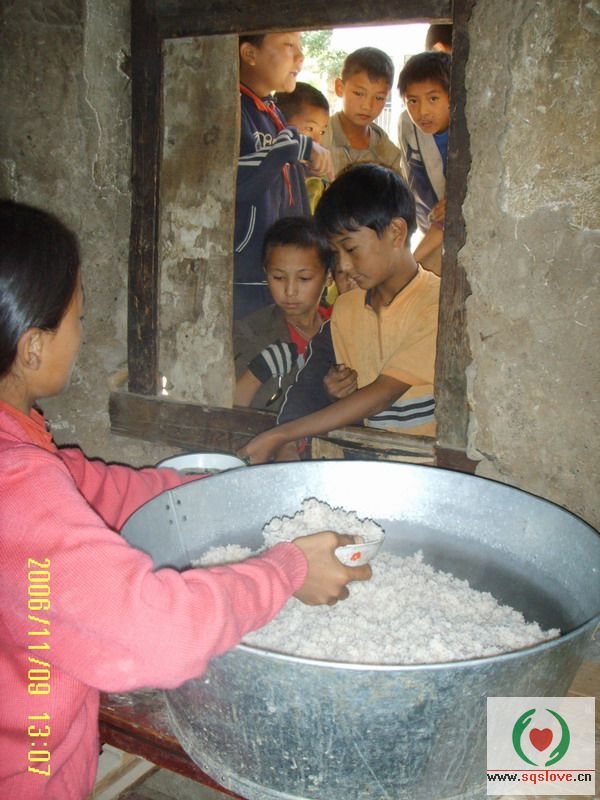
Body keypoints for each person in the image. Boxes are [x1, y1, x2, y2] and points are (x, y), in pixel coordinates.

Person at [0, 201, 370, 799]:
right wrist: (289, 569)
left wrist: (229, 495)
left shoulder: (21, 452)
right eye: (79, 319)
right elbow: (153, 636)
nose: (83, 334)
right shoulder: (17, 483)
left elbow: (95, 488)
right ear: (34, 346)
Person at [238, 164, 439, 465]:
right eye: (336, 254)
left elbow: (381, 396)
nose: (342, 266)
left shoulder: (434, 304)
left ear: (396, 232)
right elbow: (311, 381)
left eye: (351, 249)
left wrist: (280, 435)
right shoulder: (347, 308)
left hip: (427, 469)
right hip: (366, 465)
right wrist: (293, 435)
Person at [235, 33, 334, 320]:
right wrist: (297, 147)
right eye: (289, 46)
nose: (300, 57)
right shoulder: (233, 109)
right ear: (250, 54)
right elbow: (229, 178)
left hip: (280, 278)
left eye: (300, 48)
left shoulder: (272, 112)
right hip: (247, 279)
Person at [233, 216, 333, 411]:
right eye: (278, 277)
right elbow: (226, 412)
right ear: (266, 273)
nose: (290, 291)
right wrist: (256, 373)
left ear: (328, 276)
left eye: (304, 278)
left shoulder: (343, 330)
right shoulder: (248, 334)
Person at [397, 51, 451, 276]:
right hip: (430, 227)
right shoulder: (408, 126)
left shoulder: (471, 124)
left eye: (433, 99)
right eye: (413, 101)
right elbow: (410, 177)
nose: (422, 112)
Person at [321, 47, 402, 177]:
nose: (367, 106)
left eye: (379, 98)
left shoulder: (389, 153)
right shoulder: (319, 139)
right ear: (340, 88)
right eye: (359, 93)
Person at [275, 82, 331, 213]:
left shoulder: (306, 170)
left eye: (322, 132)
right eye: (310, 129)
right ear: (281, 123)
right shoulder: (274, 165)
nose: (317, 140)